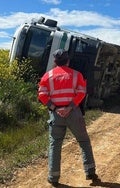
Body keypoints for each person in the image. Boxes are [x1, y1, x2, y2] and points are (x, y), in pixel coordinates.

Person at [38, 49, 98, 187]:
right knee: (83, 141)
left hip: (56, 115)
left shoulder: (47, 76)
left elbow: (42, 95)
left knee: (55, 145)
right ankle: (90, 171)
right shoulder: (77, 75)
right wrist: (70, 107)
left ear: (55, 61)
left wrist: (55, 108)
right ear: (68, 60)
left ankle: (53, 178)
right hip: (74, 113)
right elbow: (82, 93)